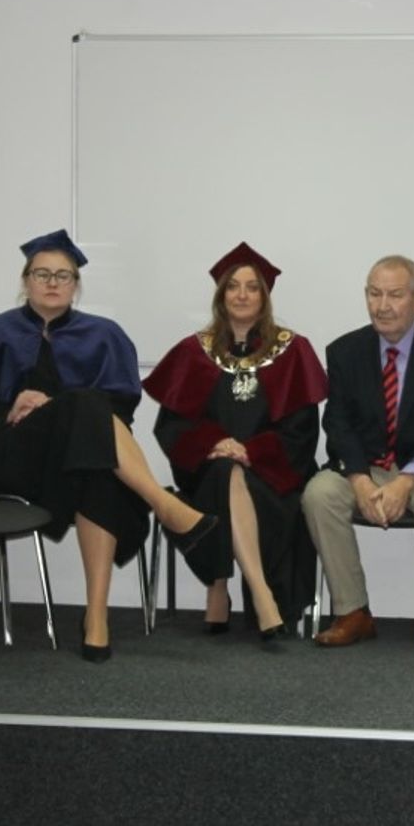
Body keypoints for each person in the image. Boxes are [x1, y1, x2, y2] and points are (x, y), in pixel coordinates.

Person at [0, 229, 217, 663]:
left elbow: (121, 416)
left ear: (76, 285)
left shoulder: (105, 335)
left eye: (63, 275)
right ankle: (164, 504)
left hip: (72, 463)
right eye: (42, 274)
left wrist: (58, 410)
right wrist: (10, 406)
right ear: (25, 281)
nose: (52, 283)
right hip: (9, 459)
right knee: (87, 402)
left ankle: (96, 615)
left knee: (101, 473)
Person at [142, 243, 327, 643]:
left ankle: (219, 587)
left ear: (264, 296)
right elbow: (172, 427)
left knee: (234, 473)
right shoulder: (195, 351)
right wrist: (216, 444)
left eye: (252, 287)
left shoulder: (292, 350)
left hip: (274, 475)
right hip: (207, 469)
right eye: (233, 286)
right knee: (226, 471)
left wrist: (251, 452)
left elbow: (301, 430)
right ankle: (261, 595)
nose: (242, 295)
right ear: (221, 294)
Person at [302, 256, 414, 656]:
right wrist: (359, 479)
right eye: (374, 293)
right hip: (365, 467)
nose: (382, 305)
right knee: (319, 493)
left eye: (395, 295)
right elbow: (338, 424)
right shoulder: (345, 351)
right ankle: (352, 612)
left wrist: (406, 478)